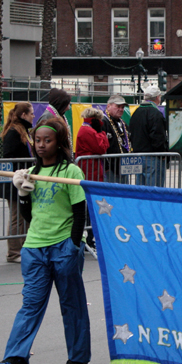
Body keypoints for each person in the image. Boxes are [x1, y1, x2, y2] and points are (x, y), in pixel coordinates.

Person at [0, 117, 90, 364]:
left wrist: (74, 245)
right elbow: (29, 216)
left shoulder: (71, 172)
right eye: (38, 140)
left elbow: (80, 213)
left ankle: (78, 357)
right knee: (30, 305)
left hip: (64, 247)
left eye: (48, 140)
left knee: (72, 304)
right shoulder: (31, 172)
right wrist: (23, 193)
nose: (41, 145)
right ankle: (14, 360)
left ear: (59, 143)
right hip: (34, 248)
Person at [0, 102, 35, 263]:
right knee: (16, 217)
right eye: (31, 113)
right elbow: (9, 156)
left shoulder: (25, 131)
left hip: (24, 180)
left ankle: (24, 247)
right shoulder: (14, 131)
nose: (33, 116)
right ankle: (13, 252)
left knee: (24, 216)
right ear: (23, 115)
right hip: (14, 181)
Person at [74, 107, 109, 249]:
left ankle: (90, 236)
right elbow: (101, 147)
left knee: (91, 206)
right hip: (90, 171)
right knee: (90, 206)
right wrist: (103, 134)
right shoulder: (88, 131)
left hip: (93, 170)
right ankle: (89, 237)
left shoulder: (88, 129)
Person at [129, 86, 168, 187]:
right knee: (154, 188)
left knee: (140, 187)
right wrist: (162, 153)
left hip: (138, 155)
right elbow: (158, 137)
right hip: (153, 156)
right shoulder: (155, 113)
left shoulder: (136, 113)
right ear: (158, 98)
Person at [101, 94, 131, 184]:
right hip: (110, 168)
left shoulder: (123, 123)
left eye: (122, 107)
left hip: (123, 167)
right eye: (118, 106)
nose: (121, 109)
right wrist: (106, 167)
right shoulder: (103, 121)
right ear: (108, 106)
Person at [38, 88, 73, 152]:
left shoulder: (61, 116)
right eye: (68, 103)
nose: (69, 106)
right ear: (62, 103)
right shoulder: (47, 116)